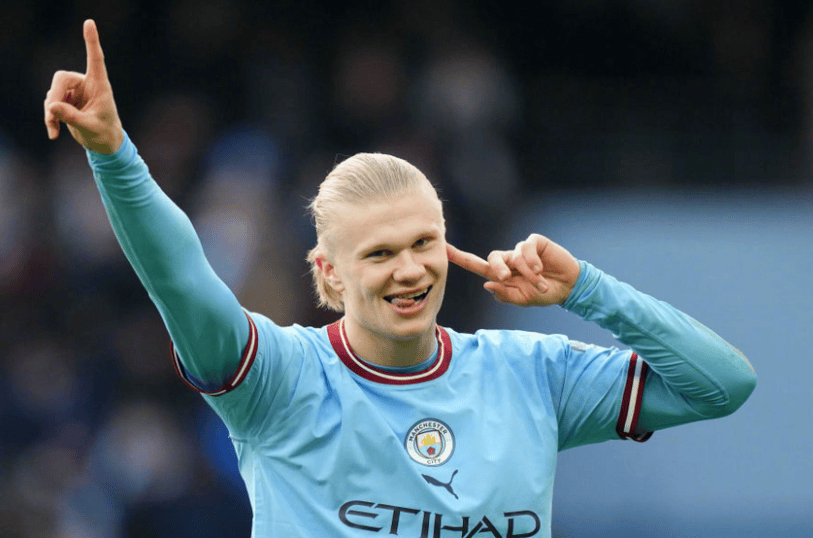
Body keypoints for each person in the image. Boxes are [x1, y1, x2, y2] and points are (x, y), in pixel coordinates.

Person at [45, 20, 756, 538]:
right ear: (329, 273)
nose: (410, 269)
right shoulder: (278, 381)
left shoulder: (530, 375)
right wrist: (113, 154)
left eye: (424, 243)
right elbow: (181, 279)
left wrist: (587, 290)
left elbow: (722, 385)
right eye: (380, 253)